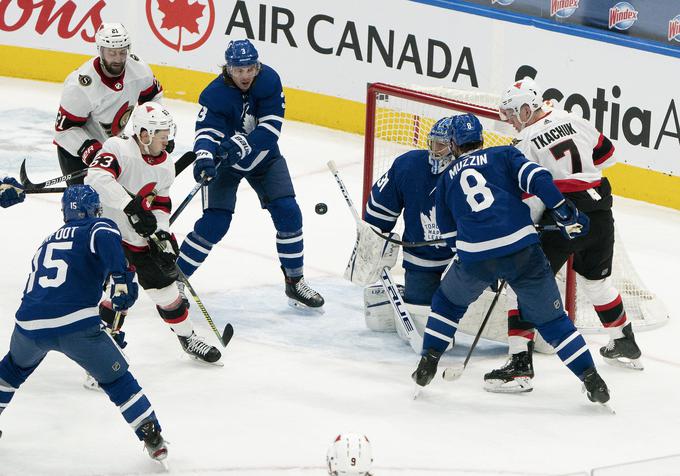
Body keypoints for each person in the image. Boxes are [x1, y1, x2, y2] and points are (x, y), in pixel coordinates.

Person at [412, 113, 610, 405]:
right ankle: (591, 378)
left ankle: (428, 360)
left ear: (453, 144)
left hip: (475, 259)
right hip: (522, 251)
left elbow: (450, 234)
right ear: (481, 138)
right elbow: (538, 178)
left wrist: (481, 266)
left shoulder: (445, 180)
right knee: (553, 321)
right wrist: (562, 210)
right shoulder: (503, 154)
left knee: (448, 303)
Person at [483, 78, 642, 393]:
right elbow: (607, 155)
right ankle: (624, 341)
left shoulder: (525, 142)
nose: (512, 121)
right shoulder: (574, 119)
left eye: (515, 113)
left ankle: (519, 366)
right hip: (599, 212)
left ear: (529, 107)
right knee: (596, 282)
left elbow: (531, 197)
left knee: (523, 285)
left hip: (563, 215)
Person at [0, 185, 167, 463]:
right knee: (117, 380)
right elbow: (107, 239)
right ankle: (150, 433)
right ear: (95, 209)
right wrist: (122, 281)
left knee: (12, 370)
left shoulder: (48, 240)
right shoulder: (99, 227)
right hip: (76, 326)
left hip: (27, 325)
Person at [176, 39, 324, 310]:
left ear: (257, 67)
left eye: (249, 69)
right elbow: (206, 132)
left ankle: (295, 282)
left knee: (289, 212)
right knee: (215, 223)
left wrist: (242, 144)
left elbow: (270, 130)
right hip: (226, 164)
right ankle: (175, 281)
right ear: (228, 69)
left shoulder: (269, 81)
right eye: (238, 69)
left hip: (264, 160)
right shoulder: (215, 94)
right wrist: (205, 158)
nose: (245, 75)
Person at [85, 102, 221, 364]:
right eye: (161, 135)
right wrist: (131, 207)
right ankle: (102, 357)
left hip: (139, 239)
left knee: (168, 293)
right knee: (119, 295)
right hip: (108, 234)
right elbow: (96, 178)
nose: (166, 140)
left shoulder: (166, 164)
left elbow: (160, 202)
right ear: (144, 134)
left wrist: (162, 233)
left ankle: (187, 338)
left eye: (166, 133)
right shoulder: (117, 147)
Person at [360, 117, 456, 337]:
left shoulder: (470, 172)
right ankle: (408, 294)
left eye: (441, 146)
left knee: (469, 315)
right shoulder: (410, 165)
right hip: (421, 258)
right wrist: (374, 241)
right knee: (422, 327)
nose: (435, 151)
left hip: (463, 262)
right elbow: (378, 212)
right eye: (433, 144)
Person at [54, 23, 164, 185]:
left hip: (114, 147)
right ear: (100, 50)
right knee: (85, 207)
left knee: (123, 204)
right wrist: (91, 150)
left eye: (122, 52)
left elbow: (153, 98)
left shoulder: (139, 69)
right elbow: (64, 132)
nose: (118, 59)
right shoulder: (80, 86)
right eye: (111, 53)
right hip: (77, 152)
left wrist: (156, 131)